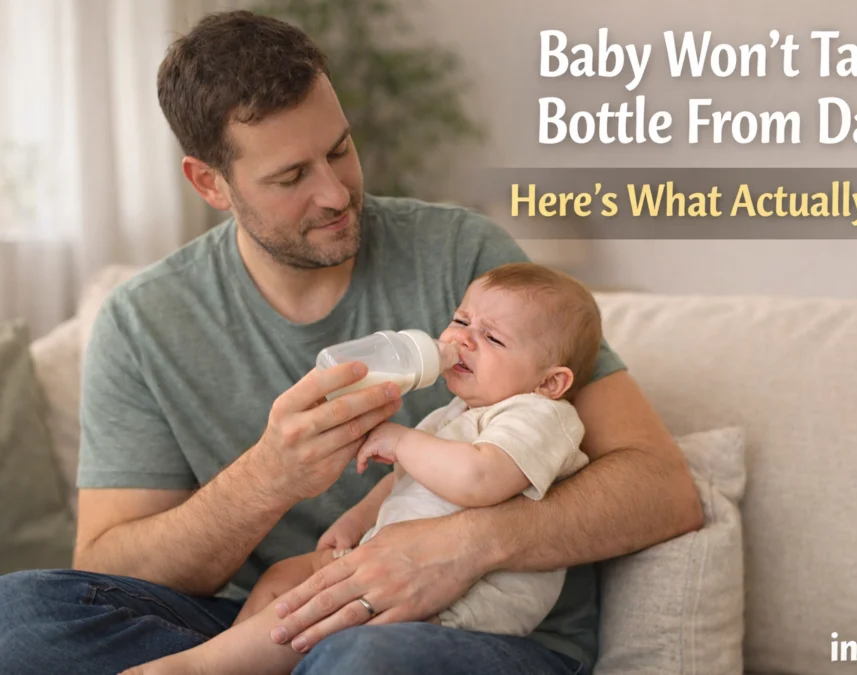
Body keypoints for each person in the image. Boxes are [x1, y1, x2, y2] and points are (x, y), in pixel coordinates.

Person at [0, 10, 702, 675]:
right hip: (281, 615)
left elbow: (663, 489)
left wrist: (462, 546)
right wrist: (267, 479)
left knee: (362, 660)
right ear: (210, 183)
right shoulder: (143, 320)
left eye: (339, 150)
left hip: (474, 633)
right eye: (291, 176)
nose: (336, 193)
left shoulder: (466, 258)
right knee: (19, 617)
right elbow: (111, 568)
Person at [126, 262, 606, 675]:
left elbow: (481, 478)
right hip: (385, 562)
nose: (462, 339)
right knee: (284, 576)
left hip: (466, 598)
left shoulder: (541, 416)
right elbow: (404, 483)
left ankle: (201, 667)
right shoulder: (452, 415)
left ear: (551, 382)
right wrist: (354, 521)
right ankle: (236, 657)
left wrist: (401, 440)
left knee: (324, 615)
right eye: (461, 320)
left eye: (493, 337)